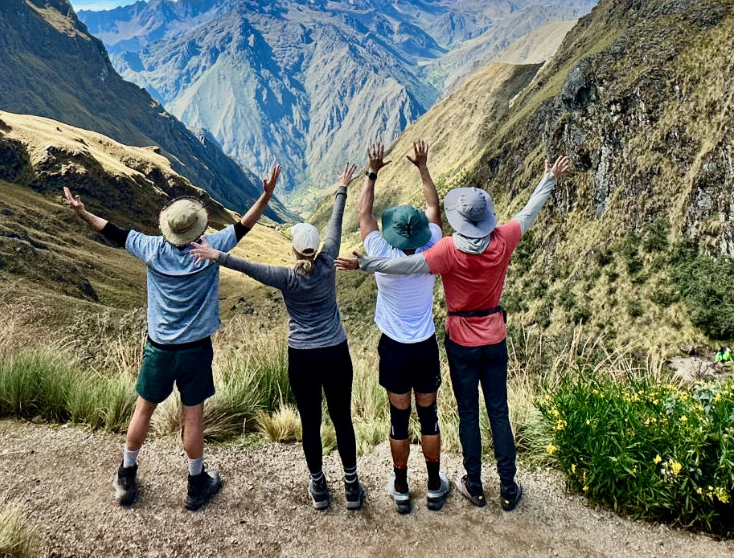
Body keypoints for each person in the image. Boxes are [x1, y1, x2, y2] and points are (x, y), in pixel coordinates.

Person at [340, 154, 571, 511]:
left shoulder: (446, 251)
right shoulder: (501, 240)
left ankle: (473, 484)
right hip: (492, 337)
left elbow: (400, 263)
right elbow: (527, 214)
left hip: (459, 340)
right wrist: (548, 180)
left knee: (465, 413)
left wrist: (365, 264)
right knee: (497, 411)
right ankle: (507, 487)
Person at [62, 165, 279, 511]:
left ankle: (126, 475)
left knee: (143, 409)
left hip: (159, 348)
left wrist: (83, 212)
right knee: (193, 416)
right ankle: (196, 484)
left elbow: (112, 231)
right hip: (195, 350)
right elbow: (245, 225)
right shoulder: (211, 248)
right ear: (196, 228)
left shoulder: (150, 248)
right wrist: (266, 195)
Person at [190, 163, 365, 513]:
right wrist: (342, 187)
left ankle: (318, 487)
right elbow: (335, 224)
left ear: (295, 251)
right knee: (342, 418)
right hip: (335, 352)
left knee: (311, 423)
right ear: (316, 249)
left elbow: (247, 267)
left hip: (302, 357)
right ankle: (351, 485)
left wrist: (215, 255)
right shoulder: (329, 260)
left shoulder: (286, 277)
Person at [356, 138, 449, 514]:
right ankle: (432, 484)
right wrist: (423, 167)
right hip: (424, 345)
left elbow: (364, 214)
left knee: (398, 418)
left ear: (394, 233)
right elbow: (433, 208)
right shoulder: (434, 250)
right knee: (429, 415)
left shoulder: (380, 252)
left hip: (394, 347)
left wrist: (372, 173)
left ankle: (399, 485)